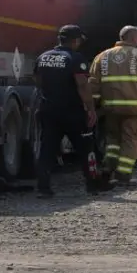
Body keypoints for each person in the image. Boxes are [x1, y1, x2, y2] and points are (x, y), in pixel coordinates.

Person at [89, 25, 137, 187]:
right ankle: (123, 176)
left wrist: (93, 106)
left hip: (110, 109)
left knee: (113, 141)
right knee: (131, 141)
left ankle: (107, 168)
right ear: (135, 38)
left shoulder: (102, 56)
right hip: (134, 110)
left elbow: (93, 85)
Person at [32, 24, 102, 198]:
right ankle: (92, 186)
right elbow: (82, 85)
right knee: (86, 148)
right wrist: (90, 109)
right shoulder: (76, 58)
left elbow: (38, 81)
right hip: (72, 112)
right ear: (76, 40)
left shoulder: (43, 57)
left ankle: (43, 188)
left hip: (48, 109)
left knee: (47, 150)